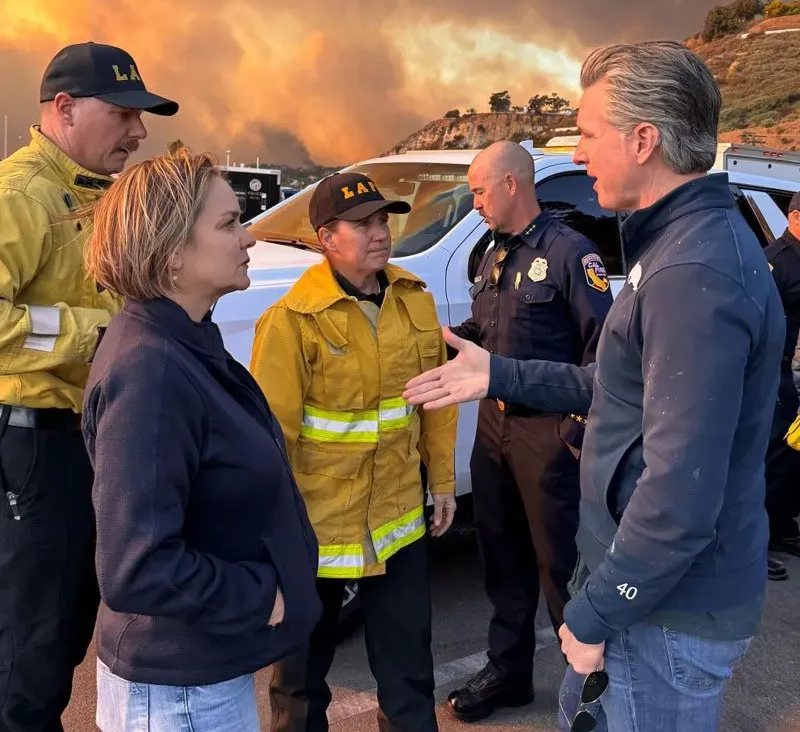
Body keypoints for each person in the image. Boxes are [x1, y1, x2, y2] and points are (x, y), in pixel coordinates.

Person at [403, 41, 784, 732]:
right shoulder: (679, 249)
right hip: (654, 602)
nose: (576, 155)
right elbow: (614, 384)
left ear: (643, 140)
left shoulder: (691, 273)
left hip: (662, 613)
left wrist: (596, 609)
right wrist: (499, 371)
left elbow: (679, 497)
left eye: (586, 134)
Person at [81, 149, 322, 732]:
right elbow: (137, 566)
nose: (247, 239)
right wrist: (261, 596)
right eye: (228, 224)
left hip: (200, 675)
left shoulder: (184, 341)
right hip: (179, 695)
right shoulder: (152, 371)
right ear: (170, 256)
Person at [0, 42, 177, 732]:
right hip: (37, 452)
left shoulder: (101, 197)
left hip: (90, 447)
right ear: (64, 109)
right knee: (32, 648)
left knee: (67, 629)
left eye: (143, 116)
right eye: (125, 113)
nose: (139, 131)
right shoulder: (22, 195)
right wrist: (93, 334)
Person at [250, 172, 458, 732]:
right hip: (316, 527)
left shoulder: (414, 298)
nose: (379, 232)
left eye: (382, 219)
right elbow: (273, 436)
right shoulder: (292, 320)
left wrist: (441, 482)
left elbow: (436, 401)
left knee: (410, 675)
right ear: (326, 237)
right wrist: (267, 535)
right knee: (298, 684)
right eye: (361, 223)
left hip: (397, 519)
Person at [445, 141, 612, 723]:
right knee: (502, 553)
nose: (475, 203)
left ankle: (585, 684)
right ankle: (509, 672)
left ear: (512, 184)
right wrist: (432, 338)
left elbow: (603, 361)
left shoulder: (571, 254)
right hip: (495, 428)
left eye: (479, 190)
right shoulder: (494, 253)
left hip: (549, 436)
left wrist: (574, 432)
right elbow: (486, 332)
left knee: (560, 566)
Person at [764, 191, 800, 572]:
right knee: (769, 454)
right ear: (794, 217)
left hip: (790, 369)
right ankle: (755, 543)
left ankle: (782, 525)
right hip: (771, 371)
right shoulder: (776, 262)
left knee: (791, 454)